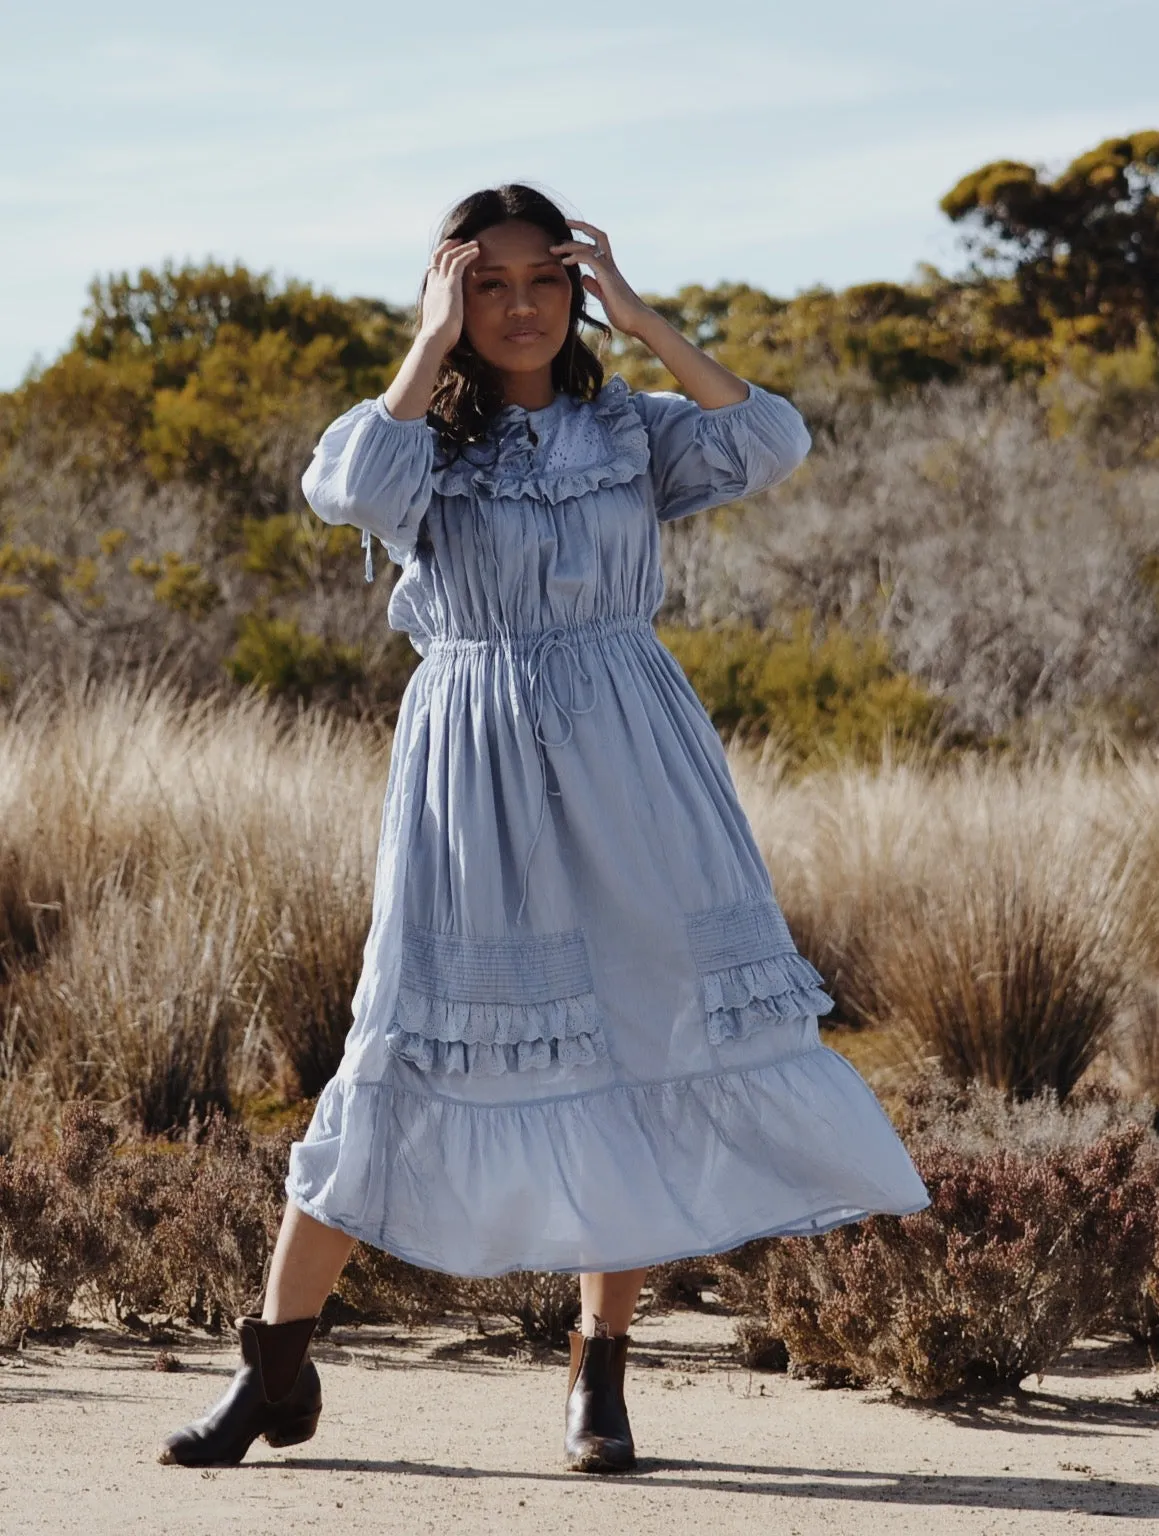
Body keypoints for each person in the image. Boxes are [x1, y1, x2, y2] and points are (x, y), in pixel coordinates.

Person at [158, 182, 930, 1475]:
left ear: (576, 291)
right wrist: (421, 342)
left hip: (638, 753)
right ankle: (273, 1371)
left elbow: (770, 441)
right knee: (395, 1045)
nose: (518, 307)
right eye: (485, 284)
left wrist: (641, 316)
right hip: (474, 767)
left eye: (543, 280)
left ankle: (600, 1374)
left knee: (639, 1043)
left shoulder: (631, 428)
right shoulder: (416, 442)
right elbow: (342, 489)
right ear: (448, 295)